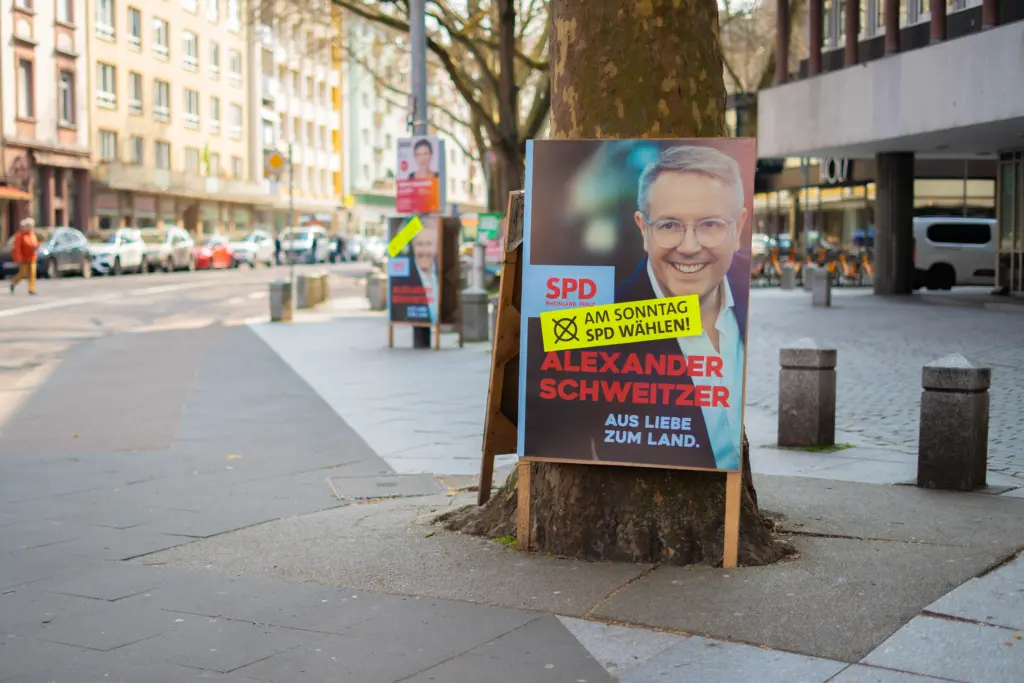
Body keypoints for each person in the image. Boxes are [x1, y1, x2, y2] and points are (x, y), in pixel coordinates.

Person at [10, 217, 39, 295]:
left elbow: (35, 244)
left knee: (32, 273)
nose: (31, 228)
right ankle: (13, 282)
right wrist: (19, 258)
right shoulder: (20, 235)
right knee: (22, 273)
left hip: (32, 257)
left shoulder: (32, 234)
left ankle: (31, 289)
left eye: (32, 226)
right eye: (29, 226)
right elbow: (17, 248)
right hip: (24, 258)